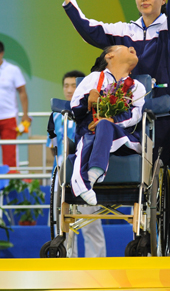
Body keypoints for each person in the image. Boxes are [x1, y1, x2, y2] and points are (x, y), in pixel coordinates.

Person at [54, 0, 170, 255]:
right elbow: (90, 30)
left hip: (166, 111)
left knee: (168, 177)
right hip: (128, 116)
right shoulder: (124, 31)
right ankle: (139, 236)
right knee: (140, 178)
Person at [70, 45, 146, 206]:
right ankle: (91, 177)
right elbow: (75, 108)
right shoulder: (93, 78)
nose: (132, 47)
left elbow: (136, 115)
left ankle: (88, 179)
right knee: (89, 138)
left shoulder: (137, 86)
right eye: (124, 47)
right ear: (109, 56)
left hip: (123, 140)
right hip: (91, 134)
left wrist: (112, 121)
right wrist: (88, 97)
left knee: (103, 125)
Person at [47, 70, 106, 258]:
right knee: (62, 225)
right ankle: (66, 263)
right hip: (63, 176)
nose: (69, 89)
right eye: (66, 86)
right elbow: (53, 146)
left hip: (84, 173)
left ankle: (96, 266)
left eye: (74, 85)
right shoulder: (56, 116)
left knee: (90, 224)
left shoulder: (92, 113)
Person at [0, 41, 31, 168]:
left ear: (2, 53)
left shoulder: (13, 70)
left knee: (10, 153)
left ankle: (10, 179)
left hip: (8, 117)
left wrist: (25, 114)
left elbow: (22, 92)